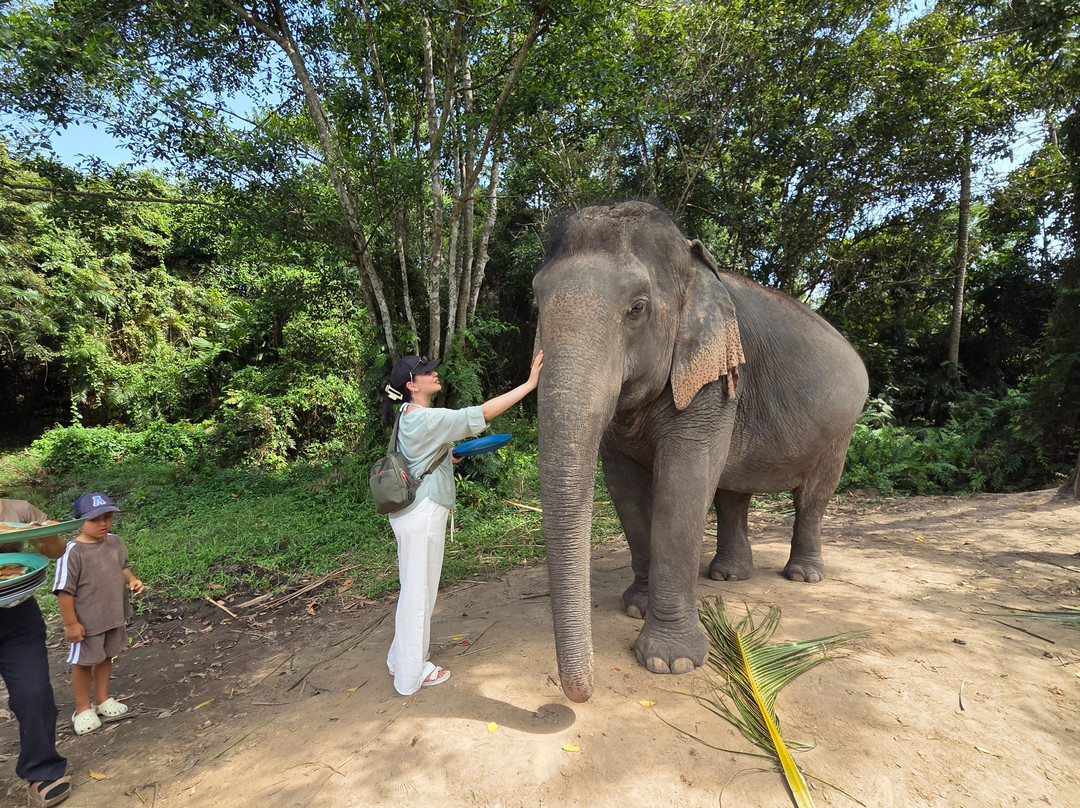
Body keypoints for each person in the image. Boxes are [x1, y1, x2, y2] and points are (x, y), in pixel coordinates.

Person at [379, 351, 543, 695]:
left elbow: (423, 456)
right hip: (421, 515)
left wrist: (450, 455)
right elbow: (480, 414)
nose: (435, 375)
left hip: (410, 514)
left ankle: (400, 659)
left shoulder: (408, 415)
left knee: (414, 589)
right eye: (426, 372)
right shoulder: (424, 417)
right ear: (411, 385)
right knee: (419, 593)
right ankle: (411, 675)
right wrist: (529, 385)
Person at [51, 493, 143, 736]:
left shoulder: (115, 542)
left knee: (106, 656)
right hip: (86, 621)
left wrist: (132, 579)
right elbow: (64, 591)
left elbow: (122, 566)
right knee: (83, 663)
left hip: (112, 614)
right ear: (78, 522)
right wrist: (71, 623)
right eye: (95, 520)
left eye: (108, 517)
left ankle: (102, 699)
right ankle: (82, 709)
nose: (103, 524)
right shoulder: (72, 551)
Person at [0, 499, 72, 808]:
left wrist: (49, 535)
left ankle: (43, 771)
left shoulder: (17, 511)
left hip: (16, 617)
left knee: (34, 693)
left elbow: (54, 550)